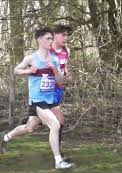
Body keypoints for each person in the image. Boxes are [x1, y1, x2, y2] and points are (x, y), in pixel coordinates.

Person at [0, 27, 74, 169]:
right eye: (48, 38)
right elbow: (16, 70)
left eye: (52, 39)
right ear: (39, 40)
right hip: (37, 99)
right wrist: (28, 71)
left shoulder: (54, 59)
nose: (51, 41)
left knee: (29, 128)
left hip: (49, 99)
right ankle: (58, 161)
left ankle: (7, 136)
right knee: (55, 124)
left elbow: (59, 81)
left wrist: (56, 71)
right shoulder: (31, 58)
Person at [50, 24, 73, 160]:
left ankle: (8, 136)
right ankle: (58, 155)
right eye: (63, 35)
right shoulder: (46, 52)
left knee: (31, 125)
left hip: (59, 89)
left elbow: (64, 68)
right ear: (55, 35)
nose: (66, 38)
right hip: (48, 90)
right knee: (60, 120)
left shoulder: (66, 51)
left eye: (67, 35)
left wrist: (67, 75)